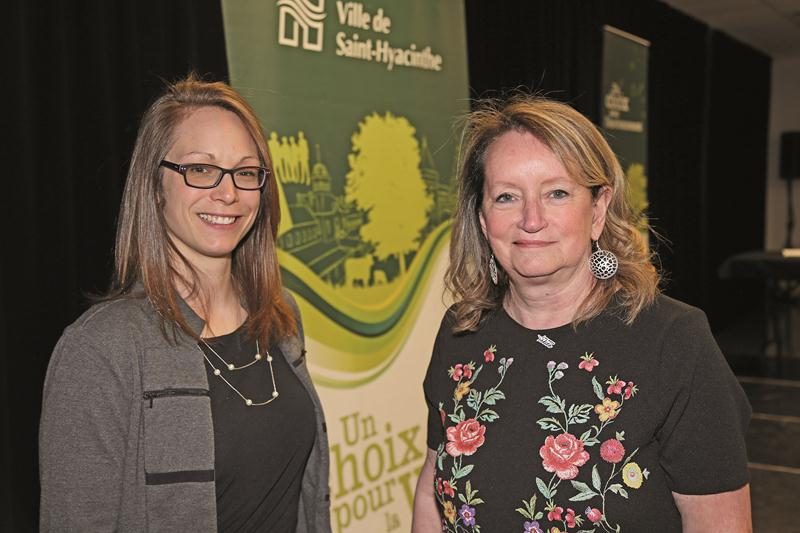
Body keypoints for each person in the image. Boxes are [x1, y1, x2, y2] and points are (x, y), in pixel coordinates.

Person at [412, 96, 752, 532]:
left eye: (556, 193)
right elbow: (431, 490)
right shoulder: (462, 331)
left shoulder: (674, 340)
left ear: (598, 209)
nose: (531, 219)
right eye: (506, 197)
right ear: (482, 219)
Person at [39, 75, 332, 532]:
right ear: (155, 186)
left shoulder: (279, 316)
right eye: (200, 169)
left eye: (246, 171)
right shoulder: (100, 350)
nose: (228, 192)